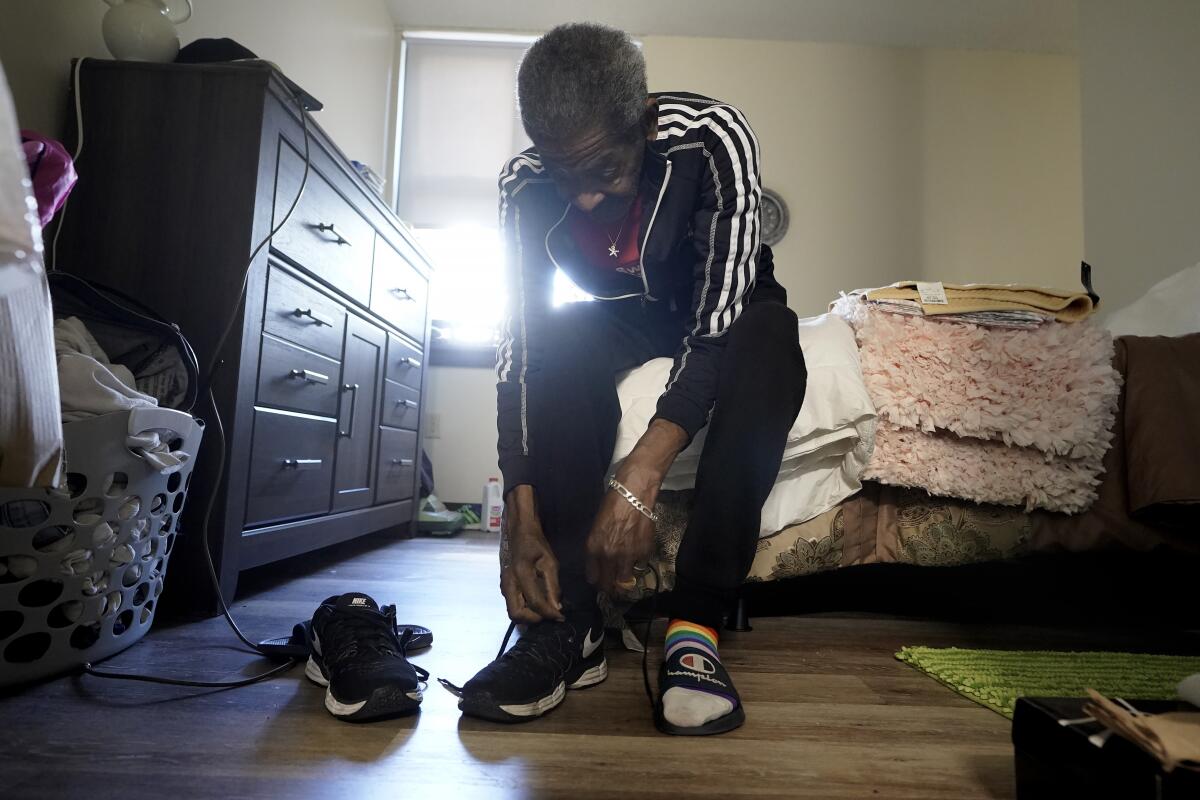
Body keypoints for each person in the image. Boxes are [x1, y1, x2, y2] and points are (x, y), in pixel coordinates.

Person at [454, 22, 807, 735]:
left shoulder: (712, 139)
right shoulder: (522, 185)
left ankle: (695, 627)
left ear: (644, 121)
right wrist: (519, 513)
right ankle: (570, 627)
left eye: (605, 172)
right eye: (565, 177)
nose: (583, 200)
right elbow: (518, 346)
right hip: (621, 313)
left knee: (773, 339)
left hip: (725, 303)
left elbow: (713, 330)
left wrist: (640, 473)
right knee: (554, 339)